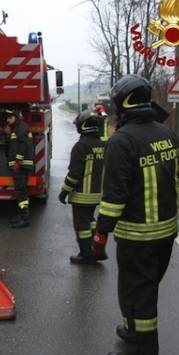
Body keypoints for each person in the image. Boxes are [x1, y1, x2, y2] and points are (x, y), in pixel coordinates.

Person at [92, 75, 179, 355]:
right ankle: (132, 333)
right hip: (166, 234)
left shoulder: (122, 141)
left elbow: (114, 198)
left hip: (137, 237)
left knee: (137, 299)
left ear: (122, 103)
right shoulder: (168, 134)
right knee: (145, 291)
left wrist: (100, 233)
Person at [58, 111, 105, 264]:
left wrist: (64, 192)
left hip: (81, 195)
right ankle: (96, 249)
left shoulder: (80, 146)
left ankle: (86, 255)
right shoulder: (102, 145)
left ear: (83, 126)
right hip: (96, 194)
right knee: (90, 220)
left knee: (82, 226)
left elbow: (74, 174)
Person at [4, 108, 35, 229]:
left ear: (16, 117)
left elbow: (22, 146)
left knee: (21, 191)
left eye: (9, 118)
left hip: (21, 166)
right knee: (21, 191)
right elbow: (14, 144)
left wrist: (17, 161)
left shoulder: (20, 128)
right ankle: (22, 216)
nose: (8, 120)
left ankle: (25, 218)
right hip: (21, 165)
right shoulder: (18, 128)